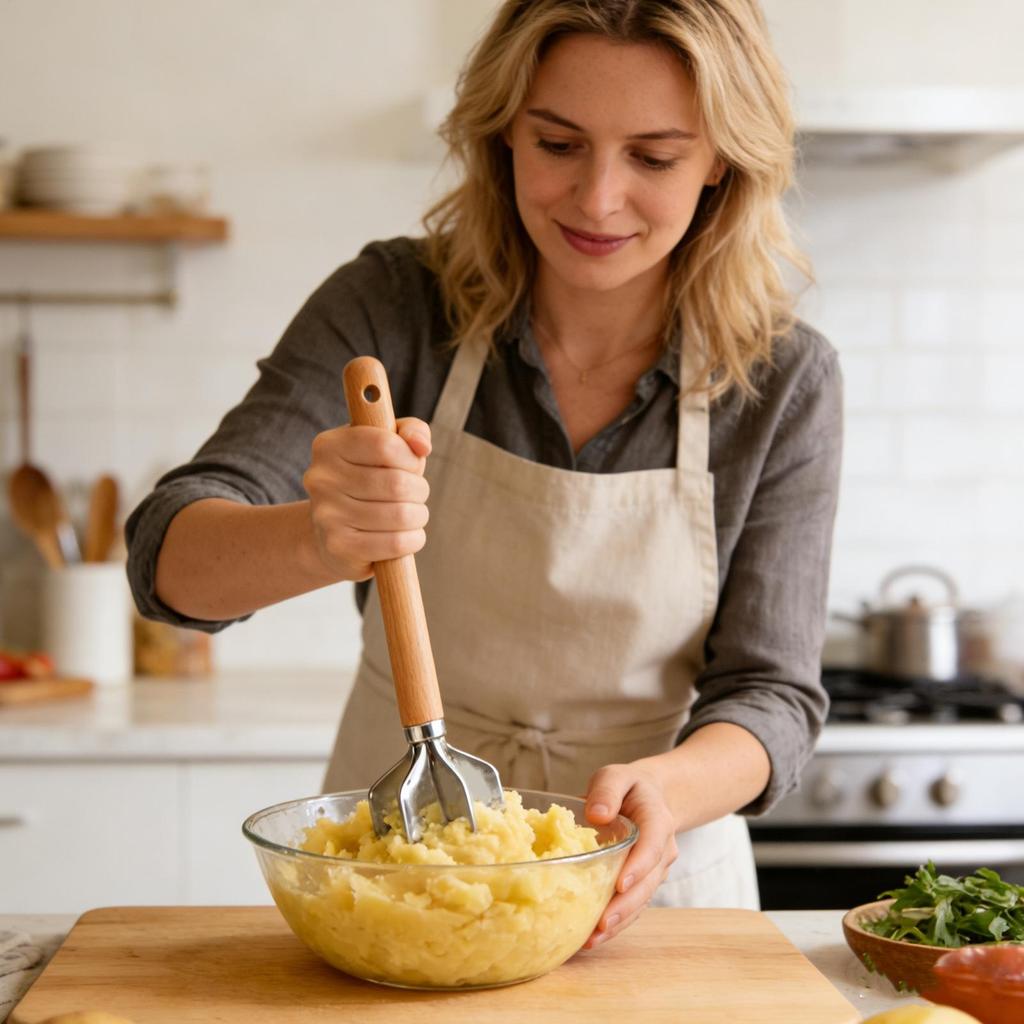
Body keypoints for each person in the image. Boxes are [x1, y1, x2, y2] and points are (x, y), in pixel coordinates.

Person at [126, 0, 842, 949]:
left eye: (655, 157)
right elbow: (167, 561)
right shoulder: (395, 307)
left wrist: (668, 791)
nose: (596, 199)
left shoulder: (783, 377)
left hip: (647, 889)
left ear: (722, 161)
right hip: (396, 876)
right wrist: (315, 534)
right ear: (502, 131)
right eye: (558, 143)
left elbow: (773, 695)